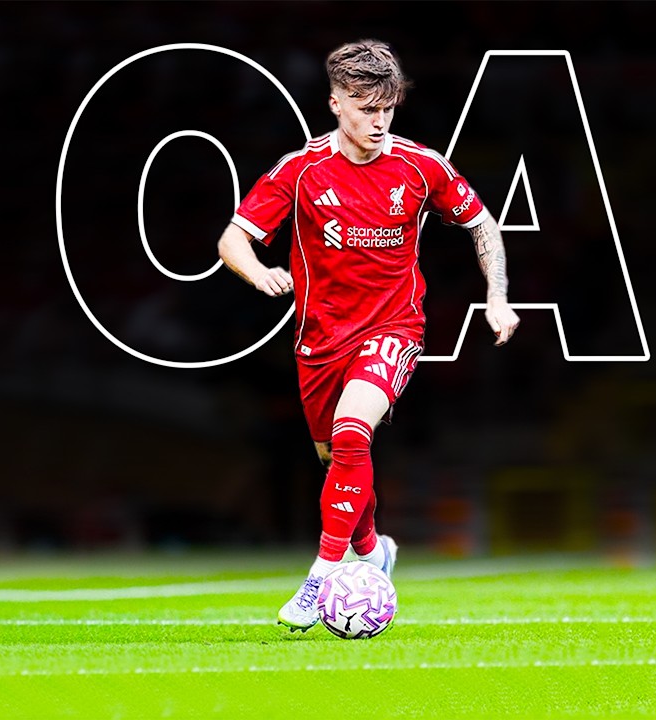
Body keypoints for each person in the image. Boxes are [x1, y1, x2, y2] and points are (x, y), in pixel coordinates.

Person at [217, 39, 520, 631]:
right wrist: (258, 272)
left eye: (387, 108)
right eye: (365, 108)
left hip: (393, 327)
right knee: (336, 459)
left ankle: (320, 578)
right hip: (320, 340)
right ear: (336, 104)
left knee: (353, 429)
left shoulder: (421, 166)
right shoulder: (300, 171)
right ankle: (371, 549)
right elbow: (233, 239)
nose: (379, 122)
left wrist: (497, 296)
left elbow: (483, 224)